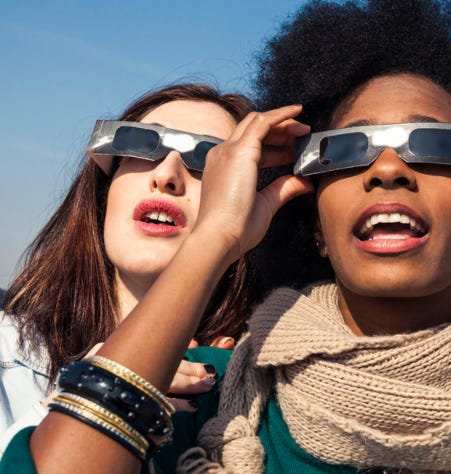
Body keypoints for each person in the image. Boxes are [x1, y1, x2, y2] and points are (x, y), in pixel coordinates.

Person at [1, 1, 451, 474]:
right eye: (348, 149)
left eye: (433, 145)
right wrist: (213, 236)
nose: (389, 169)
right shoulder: (199, 399)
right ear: (312, 219)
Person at [0, 83, 261, 448]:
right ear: (106, 189)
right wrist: (85, 400)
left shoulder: (271, 389)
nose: (167, 174)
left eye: (209, 160)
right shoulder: (6, 352)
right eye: (143, 145)